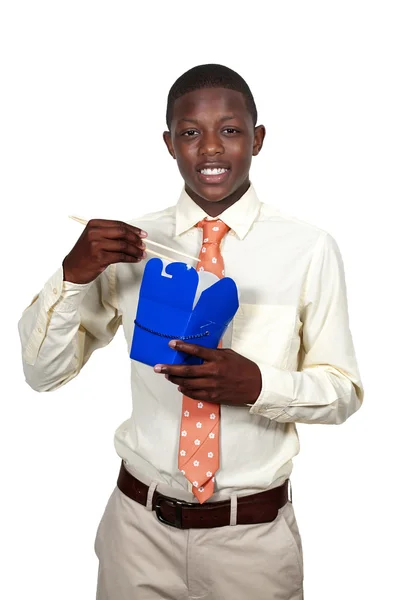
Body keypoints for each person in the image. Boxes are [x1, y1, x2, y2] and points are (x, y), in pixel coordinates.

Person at [18, 63, 364, 600]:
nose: (209, 149)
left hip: (251, 542)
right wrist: (72, 274)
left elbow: (343, 391)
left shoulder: (308, 249)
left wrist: (258, 386)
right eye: (189, 132)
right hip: (137, 535)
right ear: (168, 143)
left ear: (258, 138)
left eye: (229, 130)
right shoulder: (127, 244)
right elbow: (43, 373)